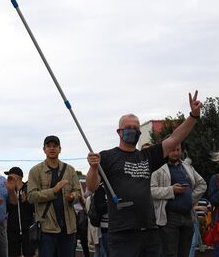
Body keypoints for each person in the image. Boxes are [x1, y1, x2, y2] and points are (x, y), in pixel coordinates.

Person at [86, 91, 203, 257]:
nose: (133, 130)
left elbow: (175, 139)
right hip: (121, 232)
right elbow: (92, 186)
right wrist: (93, 167)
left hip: (149, 229)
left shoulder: (147, 155)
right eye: (128, 128)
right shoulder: (106, 156)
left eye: (136, 128)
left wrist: (193, 116)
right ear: (119, 132)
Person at [27, 135, 82, 257]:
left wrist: (73, 196)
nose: (52, 149)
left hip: (68, 227)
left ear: (60, 149)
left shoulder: (70, 170)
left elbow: (78, 192)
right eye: (49, 146)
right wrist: (54, 191)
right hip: (47, 228)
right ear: (44, 149)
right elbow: (31, 196)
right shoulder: (35, 171)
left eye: (55, 146)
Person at [151, 143, 207, 257]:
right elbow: (151, 191)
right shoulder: (157, 168)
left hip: (188, 215)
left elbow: (202, 184)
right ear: (166, 150)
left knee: (185, 253)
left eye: (178, 150)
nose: (176, 153)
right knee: (170, 253)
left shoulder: (187, 167)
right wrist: (172, 190)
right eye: (172, 150)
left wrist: (190, 198)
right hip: (169, 217)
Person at [5, 166, 35, 257]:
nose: (8, 178)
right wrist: (11, 193)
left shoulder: (28, 189)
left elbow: (35, 209)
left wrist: (26, 202)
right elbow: (6, 209)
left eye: (10, 176)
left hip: (28, 230)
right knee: (12, 253)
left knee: (29, 253)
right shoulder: (8, 190)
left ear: (17, 177)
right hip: (12, 230)